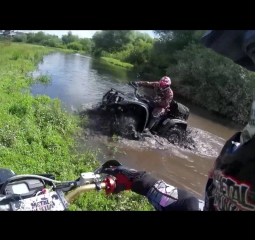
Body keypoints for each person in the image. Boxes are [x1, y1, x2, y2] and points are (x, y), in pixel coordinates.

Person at [103, 30, 255, 211]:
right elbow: (150, 84)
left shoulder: (169, 93)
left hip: (163, 107)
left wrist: (156, 101)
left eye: (163, 85)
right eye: (161, 84)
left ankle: (147, 130)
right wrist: (139, 83)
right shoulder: (159, 84)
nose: (161, 86)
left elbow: (164, 103)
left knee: (156, 113)